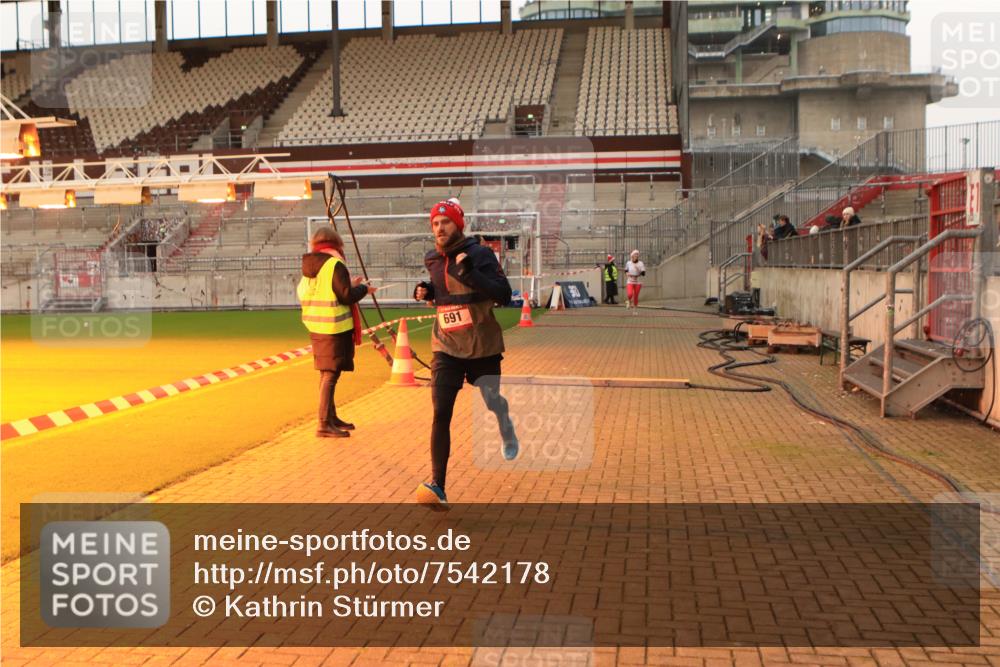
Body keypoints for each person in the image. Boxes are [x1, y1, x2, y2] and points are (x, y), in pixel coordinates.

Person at [413, 198, 519, 510]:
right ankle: (438, 485)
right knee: (440, 413)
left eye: (445, 222)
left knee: (492, 401)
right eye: (434, 223)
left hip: (482, 345)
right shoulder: (432, 259)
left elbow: (504, 295)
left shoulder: (480, 254)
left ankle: (505, 425)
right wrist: (427, 292)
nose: (439, 227)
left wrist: (471, 273)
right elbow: (444, 292)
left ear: (458, 224)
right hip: (446, 346)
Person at [298, 227, 376, 438]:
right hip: (334, 327)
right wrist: (363, 290)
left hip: (317, 326)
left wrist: (350, 285)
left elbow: (323, 291)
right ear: (337, 244)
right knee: (330, 375)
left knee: (326, 373)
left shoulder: (311, 266)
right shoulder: (334, 264)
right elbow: (345, 296)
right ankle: (324, 423)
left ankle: (330, 417)